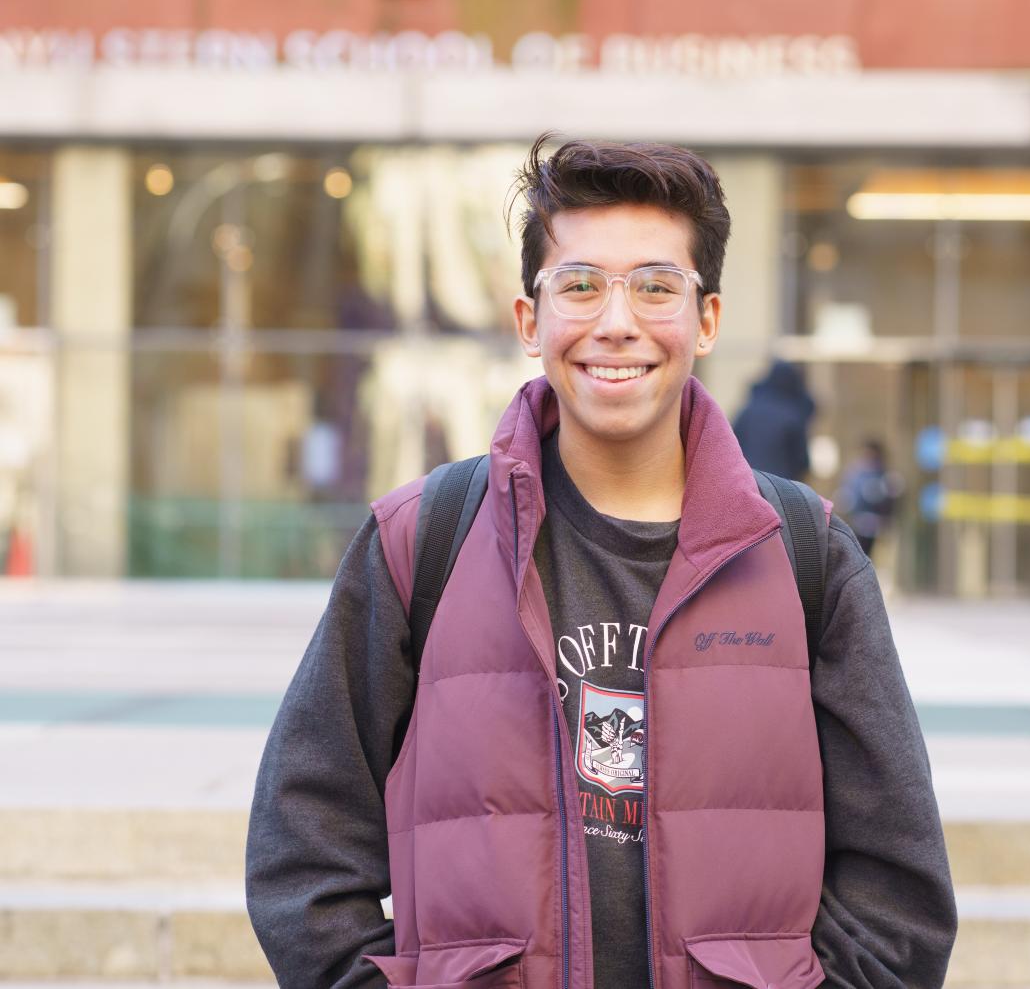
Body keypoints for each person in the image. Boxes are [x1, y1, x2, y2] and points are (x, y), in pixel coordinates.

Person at [245, 137, 957, 989]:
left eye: (655, 286)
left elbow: (898, 884)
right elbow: (304, 836)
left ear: (706, 320)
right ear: (528, 320)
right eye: (579, 285)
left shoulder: (805, 552)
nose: (615, 322)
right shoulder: (419, 539)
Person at [731, 358, 815, 482]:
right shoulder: (792, 415)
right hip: (781, 488)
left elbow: (732, 445)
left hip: (748, 482)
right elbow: (801, 460)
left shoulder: (748, 411)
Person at [839, 439, 900, 559]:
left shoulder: (883, 475)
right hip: (857, 523)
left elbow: (889, 500)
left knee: (866, 558)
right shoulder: (855, 472)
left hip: (875, 525)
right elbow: (848, 496)